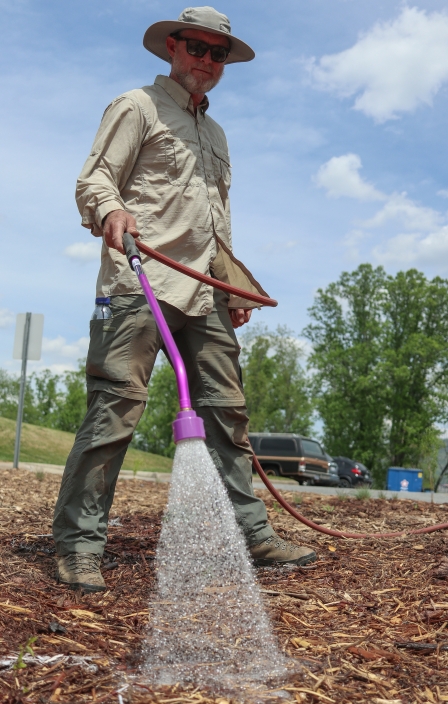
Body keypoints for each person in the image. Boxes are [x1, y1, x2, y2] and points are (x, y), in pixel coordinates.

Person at [52, 6, 316, 593]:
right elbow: (93, 180)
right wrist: (112, 210)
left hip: (206, 294)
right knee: (115, 409)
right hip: (140, 283)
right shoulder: (137, 106)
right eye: (196, 47)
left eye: (218, 53)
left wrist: (234, 284)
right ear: (172, 48)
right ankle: (77, 544)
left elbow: (217, 223)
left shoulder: (217, 136)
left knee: (228, 412)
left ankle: (251, 533)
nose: (207, 61)